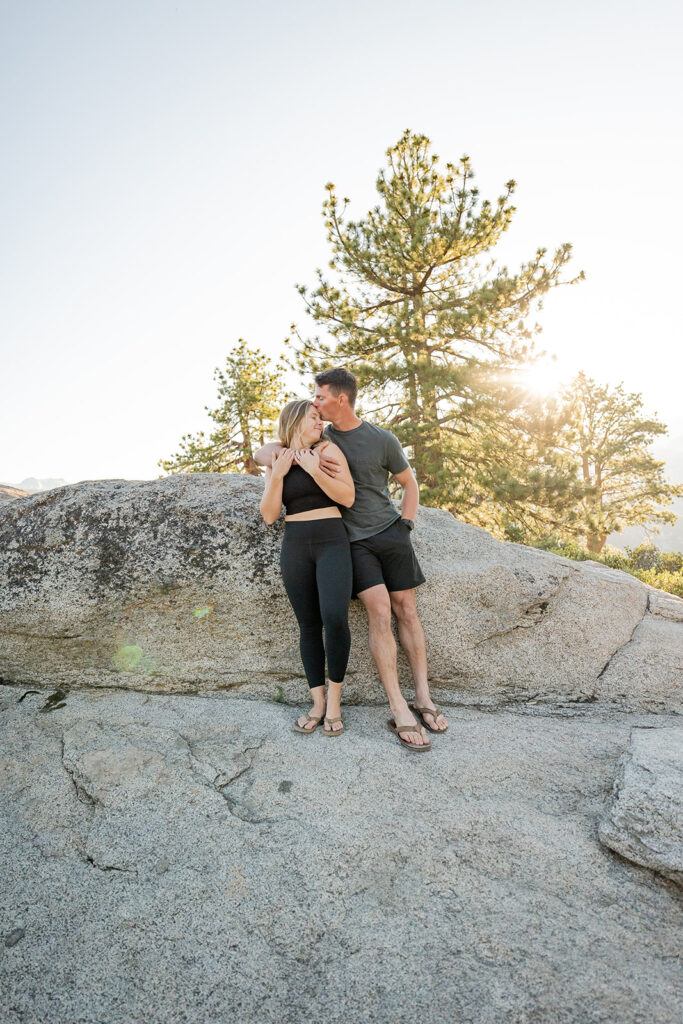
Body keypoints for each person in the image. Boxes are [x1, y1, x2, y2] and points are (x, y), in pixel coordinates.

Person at [256, 368, 448, 751]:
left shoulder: (374, 439)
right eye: (311, 404)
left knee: (406, 609)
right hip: (350, 542)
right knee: (377, 610)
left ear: (339, 399)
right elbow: (266, 454)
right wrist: (277, 460)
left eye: (320, 398)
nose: (315, 404)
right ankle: (396, 707)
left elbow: (405, 484)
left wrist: (406, 523)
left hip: (386, 533)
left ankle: (422, 697)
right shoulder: (318, 436)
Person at [259, 398, 355, 735]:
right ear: (295, 421)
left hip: (332, 540)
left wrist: (314, 470)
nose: (320, 423)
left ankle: (335, 702)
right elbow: (270, 516)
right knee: (309, 625)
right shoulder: (278, 458)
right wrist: (278, 475)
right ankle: (317, 702)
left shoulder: (328, 451)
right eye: (313, 418)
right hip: (296, 544)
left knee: (335, 618)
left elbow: (347, 497)